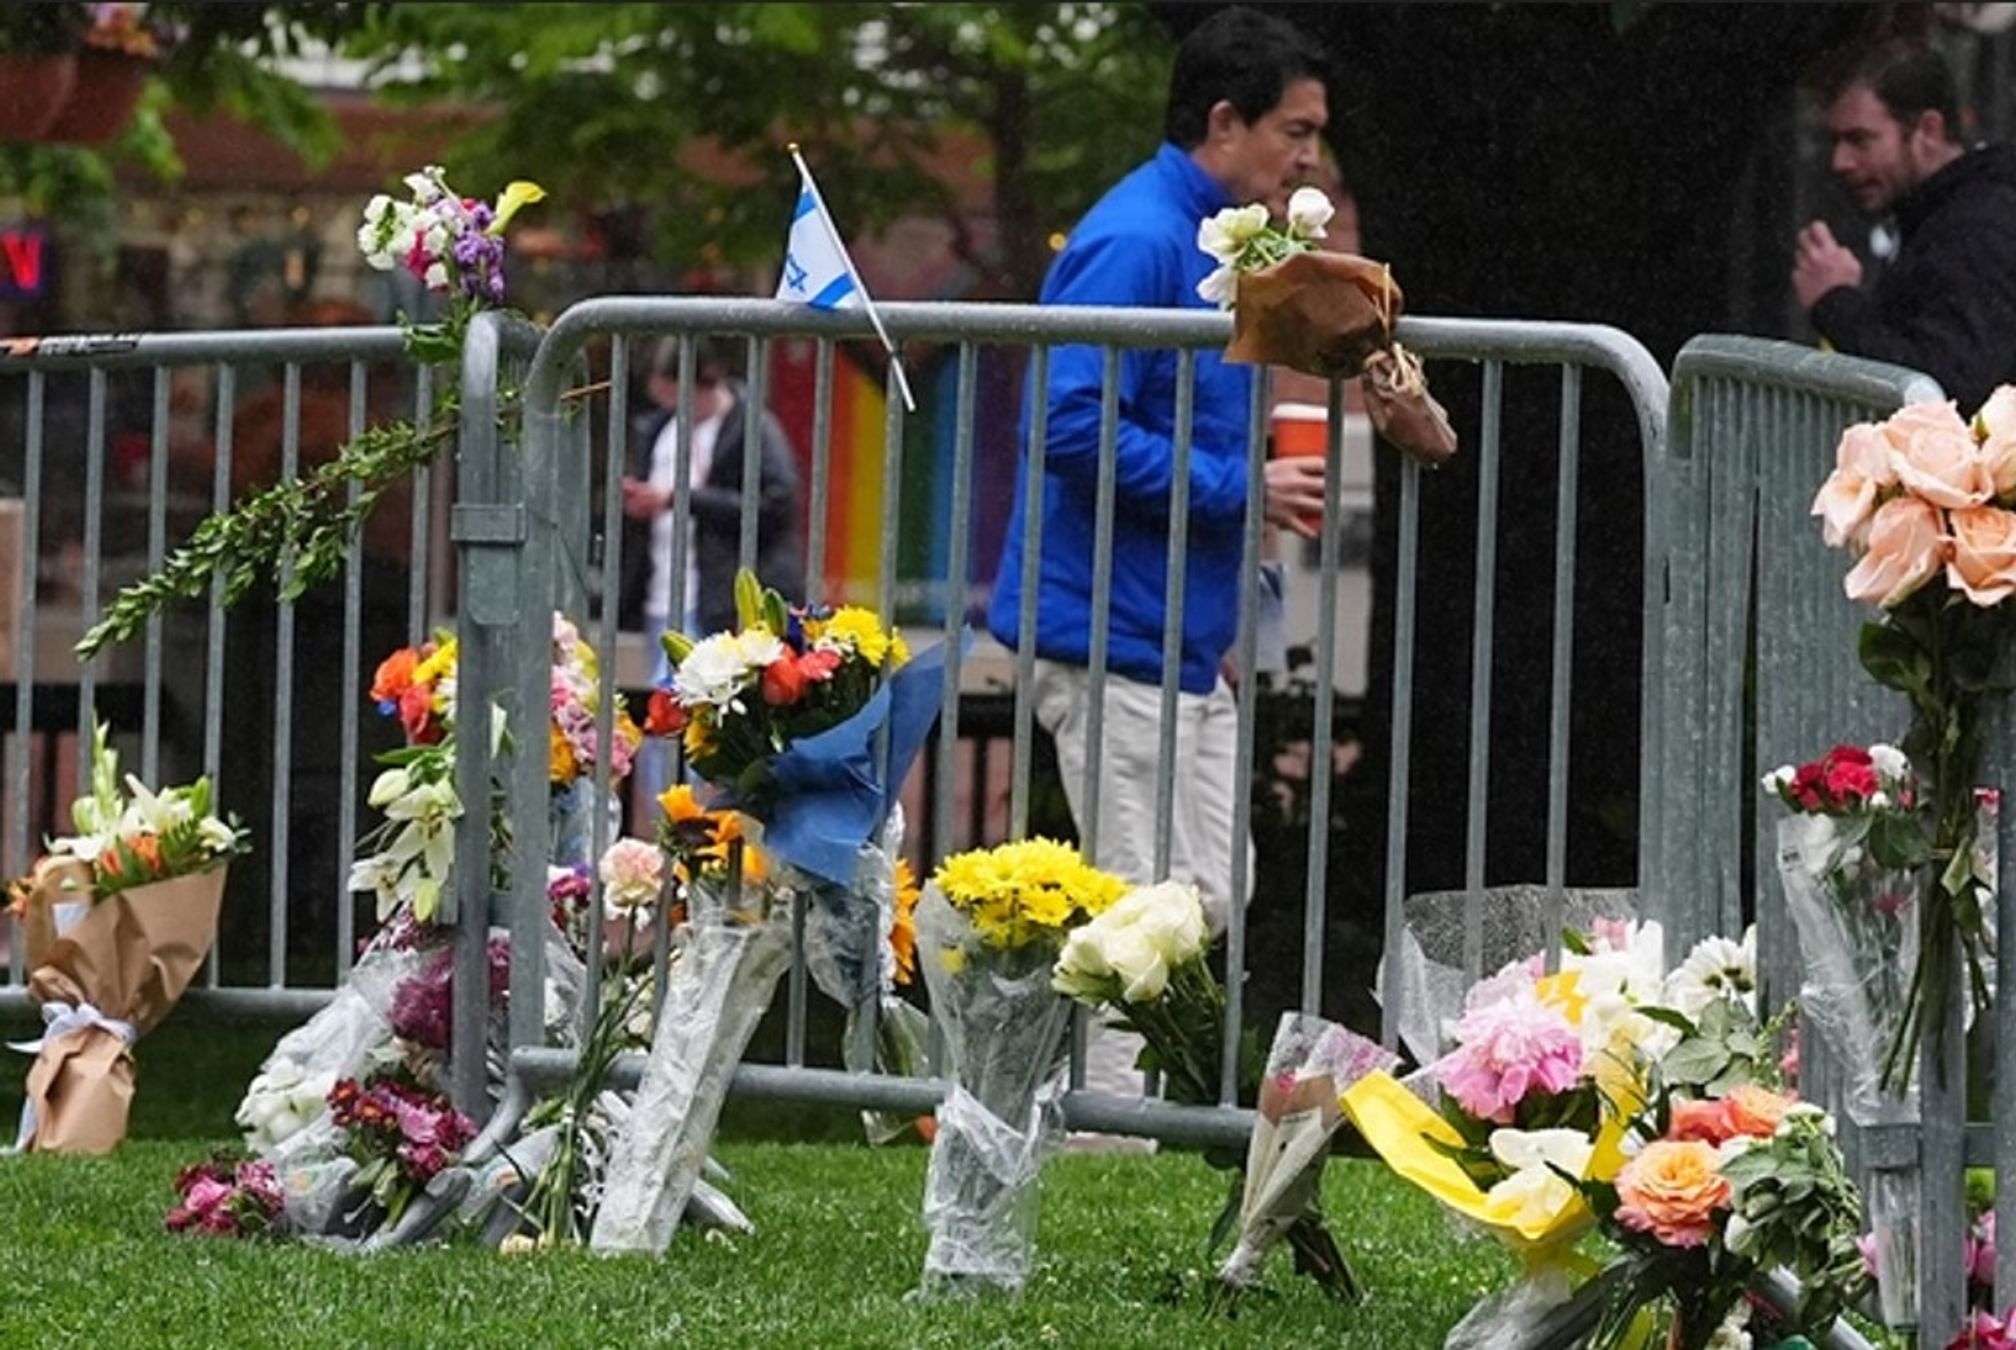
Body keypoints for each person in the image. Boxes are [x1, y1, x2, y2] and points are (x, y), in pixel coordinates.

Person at [985, 7, 1330, 1126]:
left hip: (1171, 637)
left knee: (1207, 895)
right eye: (1295, 130)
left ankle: (1052, 1096)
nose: (1310, 156)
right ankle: (1094, 1137)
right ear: (1225, 124)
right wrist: (1245, 495)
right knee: (1140, 909)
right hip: (1108, 632)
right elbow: (1067, 425)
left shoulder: (1218, 238)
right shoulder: (1138, 237)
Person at [618, 336, 804, 804]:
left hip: (720, 596)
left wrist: (683, 499)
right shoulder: (659, 430)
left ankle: (713, 813)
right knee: (667, 711)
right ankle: (673, 811)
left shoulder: (752, 428)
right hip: (664, 592)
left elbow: (776, 506)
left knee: (719, 713)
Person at [1791, 37, 2016, 414]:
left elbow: (1943, 390)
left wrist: (1837, 302)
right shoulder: (1942, 217)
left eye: (1860, 139)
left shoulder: (1980, 228)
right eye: (1835, 141)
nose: (1841, 161)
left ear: (1928, 130)